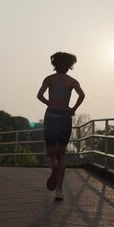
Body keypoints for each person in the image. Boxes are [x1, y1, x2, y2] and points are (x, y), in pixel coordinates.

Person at [36, 52, 85, 201]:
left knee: (51, 154)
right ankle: (59, 191)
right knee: (62, 154)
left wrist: (48, 103)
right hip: (64, 116)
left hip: (51, 115)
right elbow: (82, 95)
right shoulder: (72, 81)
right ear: (70, 66)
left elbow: (39, 95)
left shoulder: (49, 79)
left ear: (54, 64)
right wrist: (73, 109)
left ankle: (54, 168)